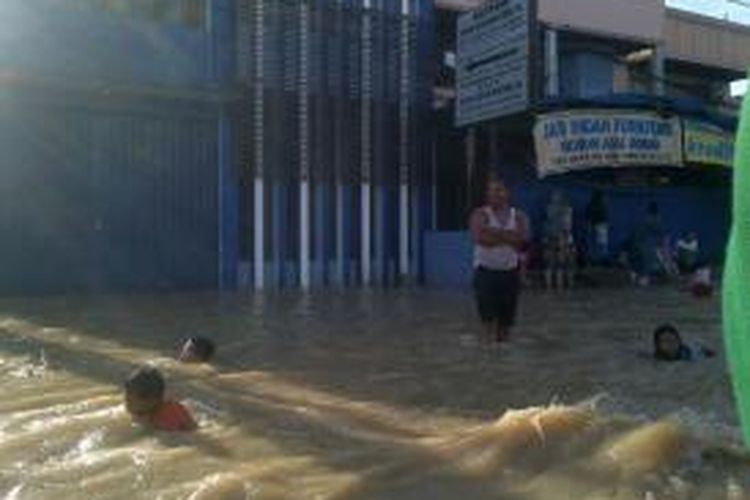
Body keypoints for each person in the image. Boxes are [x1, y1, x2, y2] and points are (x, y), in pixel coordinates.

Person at [469, 176, 529, 343]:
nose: (493, 194)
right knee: (487, 325)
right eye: (490, 190)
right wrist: (510, 238)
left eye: (498, 190)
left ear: (507, 193)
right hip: (485, 273)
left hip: (510, 274)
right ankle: (489, 365)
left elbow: (523, 244)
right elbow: (479, 239)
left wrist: (492, 231)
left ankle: (502, 365)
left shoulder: (518, 216)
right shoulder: (480, 214)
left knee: (506, 328)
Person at [124, 367, 197, 432]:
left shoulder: (166, 417)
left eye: (129, 400)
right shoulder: (146, 409)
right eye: (126, 397)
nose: (126, 404)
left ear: (151, 401)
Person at [543, 191, 576, 291]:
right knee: (561, 265)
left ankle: (554, 287)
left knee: (555, 265)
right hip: (558, 238)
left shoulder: (551, 210)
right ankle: (563, 287)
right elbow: (567, 225)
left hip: (555, 238)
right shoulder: (565, 210)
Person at [585, 190, 609, 265]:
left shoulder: (593, 205)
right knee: (600, 244)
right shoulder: (600, 206)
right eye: (604, 197)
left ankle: (597, 259)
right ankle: (599, 260)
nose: (605, 199)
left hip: (597, 225)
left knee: (597, 244)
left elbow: (588, 217)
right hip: (599, 225)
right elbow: (589, 217)